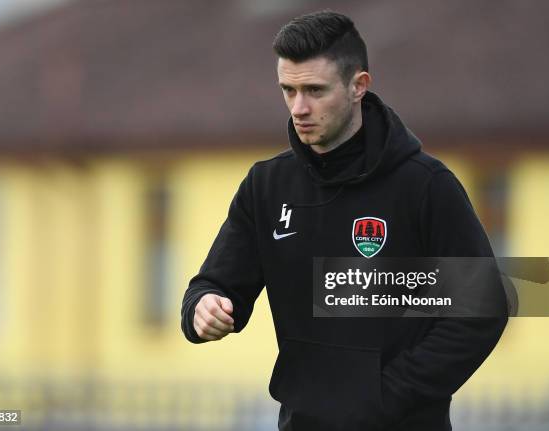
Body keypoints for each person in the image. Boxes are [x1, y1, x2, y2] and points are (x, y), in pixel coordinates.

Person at [181, 10, 507, 431]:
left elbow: (482, 309)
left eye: (315, 90)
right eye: (288, 90)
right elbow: (215, 285)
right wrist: (202, 308)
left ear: (359, 86)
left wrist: (388, 397)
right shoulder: (267, 186)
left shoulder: (425, 185)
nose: (299, 108)